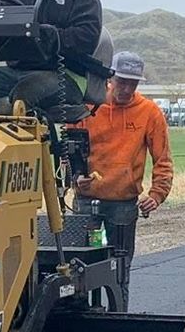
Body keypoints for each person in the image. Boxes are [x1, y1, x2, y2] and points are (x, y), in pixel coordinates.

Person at [73, 50, 173, 310]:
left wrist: (156, 194)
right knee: (81, 268)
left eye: (133, 82)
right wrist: (75, 178)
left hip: (123, 207)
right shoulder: (87, 108)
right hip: (87, 204)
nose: (127, 88)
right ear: (110, 78)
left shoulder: (149, 112)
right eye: (122, 81)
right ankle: (82, 324)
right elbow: (68, 152)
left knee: (120, 270)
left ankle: (118, 320)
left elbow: (162, 158)